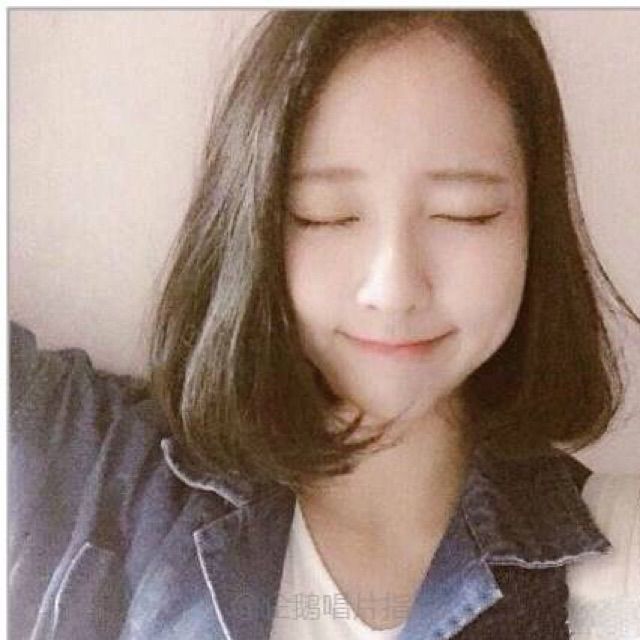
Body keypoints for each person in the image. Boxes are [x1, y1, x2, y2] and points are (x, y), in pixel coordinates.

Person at [9, 10, 640, 640]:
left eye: (464, 213)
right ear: (252, 223)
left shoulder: (617, 563)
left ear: (534, 224)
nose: (393, 290)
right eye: (326, 214)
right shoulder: (84, 462)